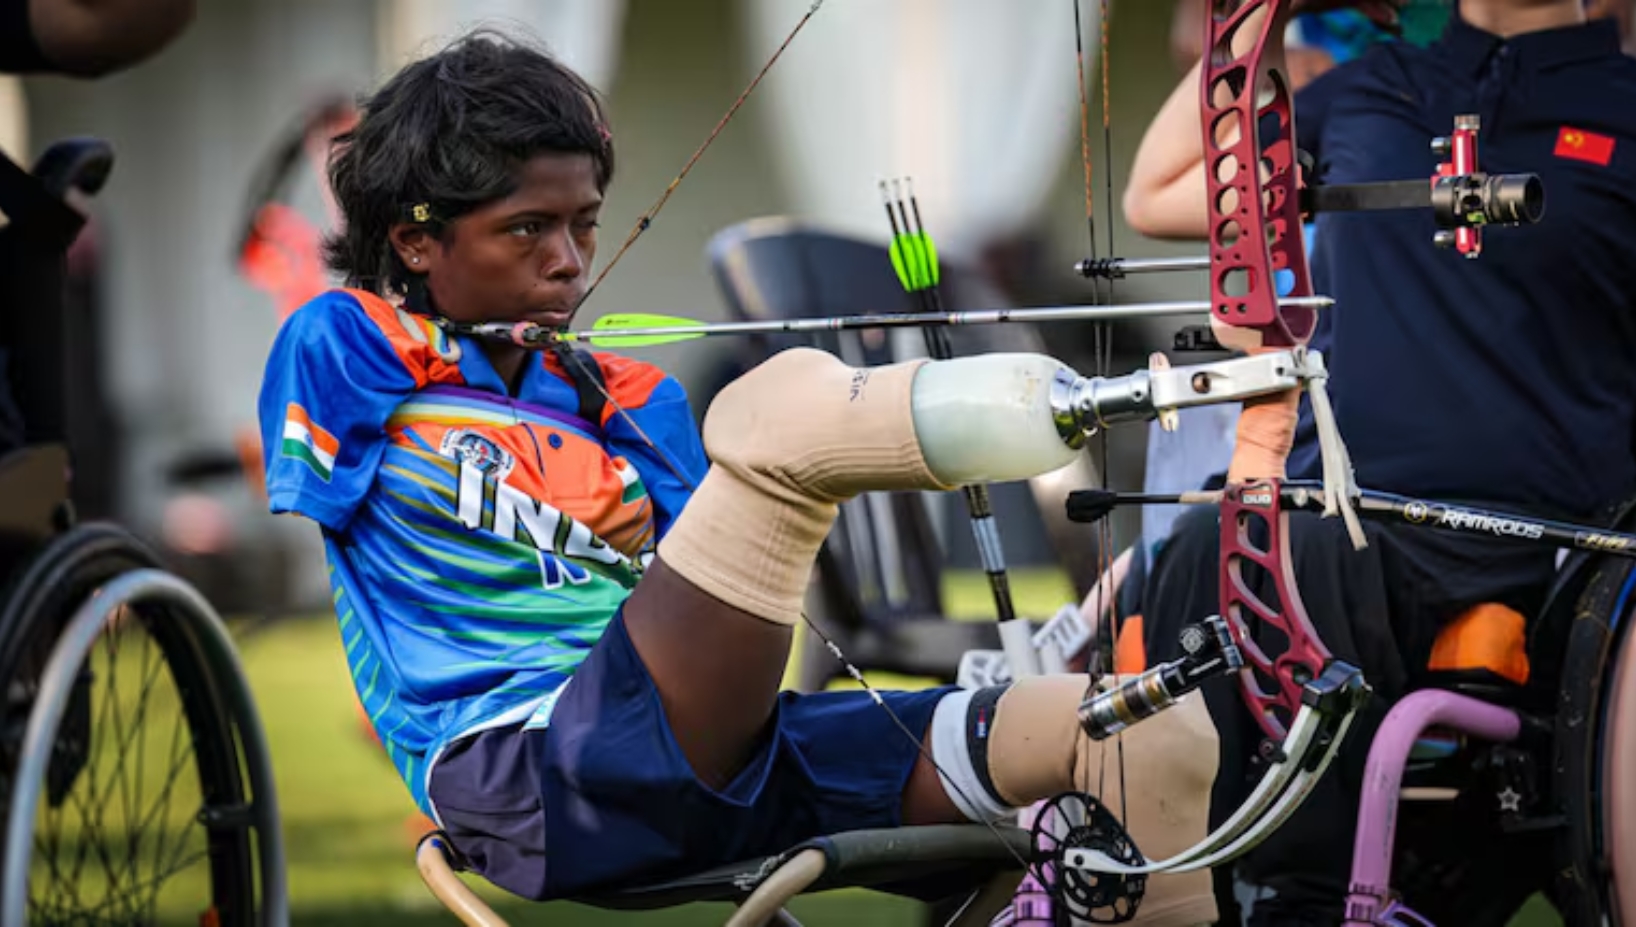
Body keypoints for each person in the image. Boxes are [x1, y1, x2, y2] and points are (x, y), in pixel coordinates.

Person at [257, 30, 1221, 922]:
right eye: (527, 229)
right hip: (532, 776)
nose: (569, 265)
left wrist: (601, 409)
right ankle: (1082, 443)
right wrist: (466, 361)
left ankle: (1100, 494)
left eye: (584, 225)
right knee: (783, 409)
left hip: (722, 753)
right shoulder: (346, 341)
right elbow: (325, 461)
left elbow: (712, 601)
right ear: (416, 241)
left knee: (1139, 731)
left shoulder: (631, 398)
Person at [1122, 0, 1636, 923]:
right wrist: (1263, 15)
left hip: (1523, 540)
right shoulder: (1372, 85)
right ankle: (1176, 884)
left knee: (1297, 550)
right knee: (1216, 541)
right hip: (1326, 503)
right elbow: (1158, 193)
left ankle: (1301, 900)